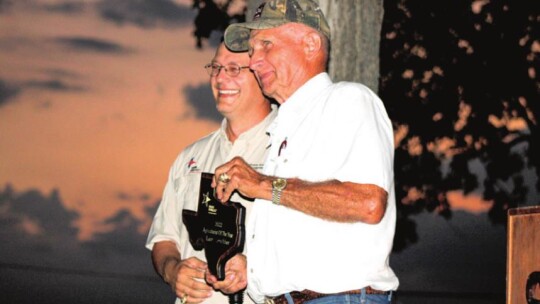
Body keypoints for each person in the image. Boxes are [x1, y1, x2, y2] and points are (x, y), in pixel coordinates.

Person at [207, 0, 399, 303]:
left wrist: (261, 184)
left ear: (310, 44)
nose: (254, 61)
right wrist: (251, 270)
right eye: (252, 50)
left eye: (266, 44)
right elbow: (304, 228)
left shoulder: (348, 100)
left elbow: (368, 203)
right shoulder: (284, 127)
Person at [146, 42, 278, 304]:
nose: (219, 77)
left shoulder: (289, 149)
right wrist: (172, 271)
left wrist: (253, 267)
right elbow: (164, 238)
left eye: (232, 68)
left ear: (262, 75)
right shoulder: (190, 157)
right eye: (215, 67)